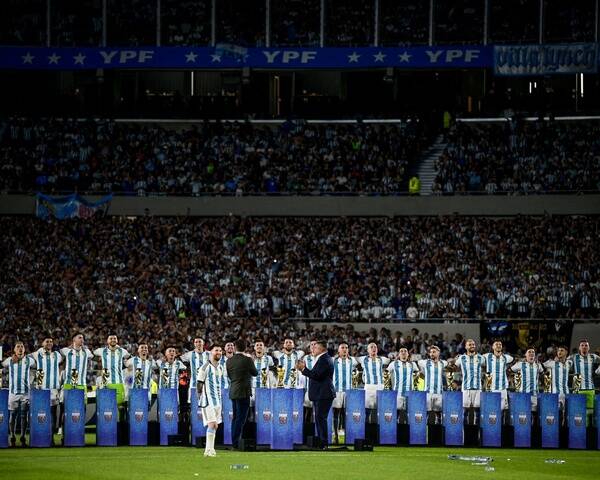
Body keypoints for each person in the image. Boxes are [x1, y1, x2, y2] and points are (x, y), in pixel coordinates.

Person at [296, 340, 335, 450]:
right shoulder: (323, 358)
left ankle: (324, 443)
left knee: (321, 418)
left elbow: (316, 376)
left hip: (324, 394)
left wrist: (303, 369)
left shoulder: (325, 359)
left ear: (322, 349)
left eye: (316, 347)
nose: (314, 349)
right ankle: (322, 442)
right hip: (321, 394)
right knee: (319, 418)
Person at [226, 339, 258, 449]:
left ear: (235, 348)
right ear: (245, 348)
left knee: (235, 418)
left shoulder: (229, 361)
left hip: (233, 391)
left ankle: (234, 441)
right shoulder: (248, 360)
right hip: (243, 392)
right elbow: (255, 373)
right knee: (241, 418)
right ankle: (235, 442)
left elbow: (230, 376)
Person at [2, 342, 35, 447]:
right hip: (13, 393)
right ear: (14, 350)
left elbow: (37, 367)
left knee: (24, 416)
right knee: (13, 415)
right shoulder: (10, 360)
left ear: (24, 350)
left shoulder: (29, 360)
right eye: (18, 347)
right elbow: (2, 364)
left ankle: (23, 436)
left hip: (25, 393)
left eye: (22, 347)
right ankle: (12, 436)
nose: (20, 349)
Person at [198, 344, 224, 457]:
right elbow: (199, 384)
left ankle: (209, 450)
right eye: (216, 350)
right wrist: (200, 399)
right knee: (212, 424)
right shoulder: (205, 367)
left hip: (218, 400)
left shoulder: (221, 367)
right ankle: (208, 450)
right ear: (210, 352)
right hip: (208, 400)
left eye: (220, 350)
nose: (219, 352)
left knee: (215, 425)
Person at [33, 336, 63, 435]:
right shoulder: (38, 354)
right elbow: (26, 356)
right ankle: (41, 434)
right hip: (41, 389)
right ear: (42, 343)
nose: (49, 343)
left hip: (53, 388)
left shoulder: (57, 355)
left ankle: (51, 435)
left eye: (51, 341)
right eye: (47, 341)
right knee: (42, 413)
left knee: (53, 413)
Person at [93, 335, 130, 405]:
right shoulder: (101, 351)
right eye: (111, 338)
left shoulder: (122, 351)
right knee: (108, 406)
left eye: (115, 338)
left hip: (119, 383)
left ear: (117, 341)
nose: (113, 340)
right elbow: (92, 354)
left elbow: (129, 357)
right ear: (107, 341)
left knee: (119, 405)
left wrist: (125, 366)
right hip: (106, 384)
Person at [568, 340, 599, 423]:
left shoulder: (593, 357)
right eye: (582, 345)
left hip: (590, 388)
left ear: (589, 348)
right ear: (579, 347)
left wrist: (598, 371)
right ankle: (578, 433)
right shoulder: (574, 357)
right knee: (578, 413)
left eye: (586, 345)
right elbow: (565, 363)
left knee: (590, 413)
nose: (584, 347)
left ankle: (589, 433)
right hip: (577, 389)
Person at [455, 339, 485, 425]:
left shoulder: (481, 358)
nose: (472, 346)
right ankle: (466, 432)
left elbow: (485, 367)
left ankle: (476, 433)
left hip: (478, 387)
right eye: (470, 344)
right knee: (465, 411)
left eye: (473, 344)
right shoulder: (461, 358)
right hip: (465, 387)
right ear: (465, 346)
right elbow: (454, 367)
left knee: (477, 411)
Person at [332, 342, 358, 442]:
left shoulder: (352, 361)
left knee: (345, 413)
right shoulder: (333, 361)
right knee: (336, 413)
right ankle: (336, 435)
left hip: (348, 391)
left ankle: (348, 435)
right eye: (342, 347)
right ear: (338, 350)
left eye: (346, 347)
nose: (345, 349)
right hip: (337, 390)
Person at [511, 348, 543, 422]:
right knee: (524, 415)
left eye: (533, 352)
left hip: (534, 394)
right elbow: (510, 370)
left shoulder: (538, 365)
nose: (531, 353)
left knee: (534, 415)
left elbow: (543, 373)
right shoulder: (520, 364)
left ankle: (533, 431)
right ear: (525, 355)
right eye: (529, 352)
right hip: (523, 394)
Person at [482, 341, 513, 418]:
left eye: (500, 344)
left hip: (503, 389)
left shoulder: (506, 357)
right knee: (492, 410)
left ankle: (502, 428)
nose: (498, 345)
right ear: (492, 347)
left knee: (503, 410)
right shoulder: (487, 356)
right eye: (496, 344)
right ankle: (491, 428)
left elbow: (515, 359)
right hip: (491, 388)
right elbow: (477, 358)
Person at [387, 347, 417, 423]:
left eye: (405, 351)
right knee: (396, 415)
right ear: (399, 354)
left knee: (409, 415)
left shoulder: (412, 364)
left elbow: (417, 375)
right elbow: (386, 374)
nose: (403, 352)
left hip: (409, 393)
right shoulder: (393, 364)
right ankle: (396, 432)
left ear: (408, 354)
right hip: (397, 393)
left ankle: (409, 432)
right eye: (401, 351)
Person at [418, 345, 447, 424]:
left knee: (438, 415)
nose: (432, 354)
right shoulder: (425, 363)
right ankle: (426, 433)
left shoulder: (443, 363)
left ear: (439, 353)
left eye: (434, 352)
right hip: (427, 393)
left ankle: (437, 433)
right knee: (426, 414)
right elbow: (419, 362)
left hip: (439, 393)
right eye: (430, 352)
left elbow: (449, 362)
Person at [543, 346, 571, 422]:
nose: (559, 352)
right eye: (558, 350)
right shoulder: (552, 363)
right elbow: (541, 365)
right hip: (556, 393)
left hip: (566, 392)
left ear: (566, 352)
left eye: (562, 350)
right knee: (557, 415)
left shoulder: (569, 363)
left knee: (566, 415)